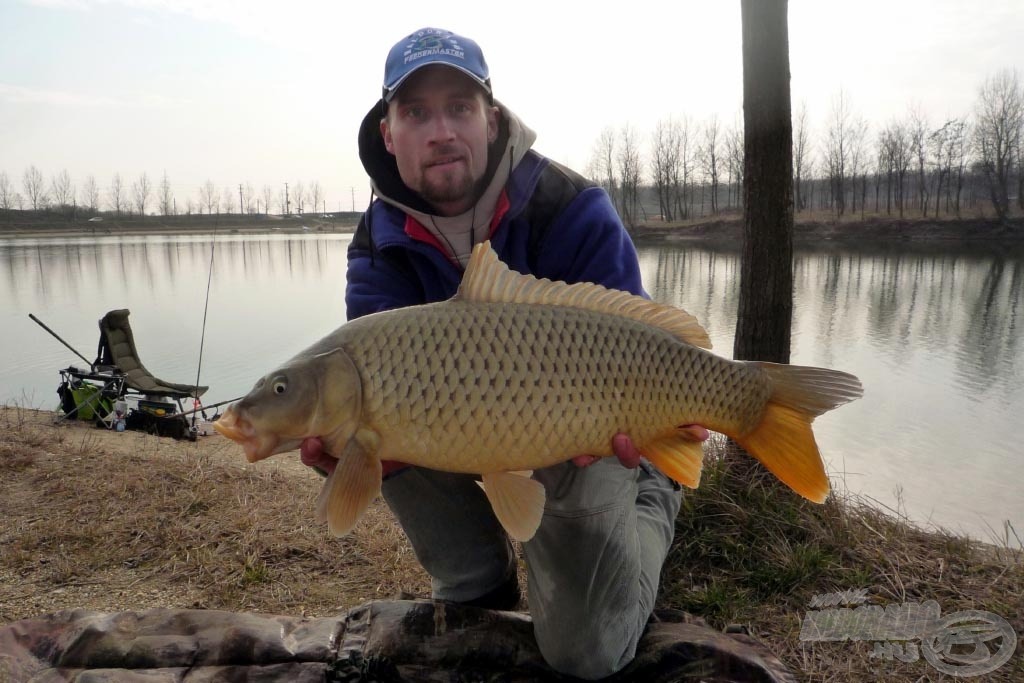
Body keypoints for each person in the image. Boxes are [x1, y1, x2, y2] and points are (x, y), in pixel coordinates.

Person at [300, 27, 709, 680]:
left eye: (460, 107)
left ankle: (652, 500)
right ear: (388, 131)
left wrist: (658, 424)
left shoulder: (570, 208)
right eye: (417, 112)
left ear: (491, 120)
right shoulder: (376, 244)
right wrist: (344, 451)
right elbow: (379, 410)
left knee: (587, 655)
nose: (442, 130)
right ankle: (478, 577)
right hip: (483, 427)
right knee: (374, 417)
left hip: (591, 425)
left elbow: (647, 348)